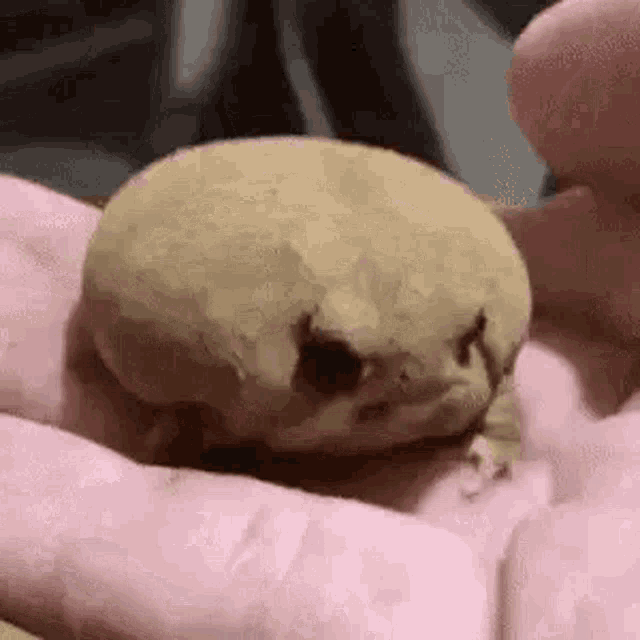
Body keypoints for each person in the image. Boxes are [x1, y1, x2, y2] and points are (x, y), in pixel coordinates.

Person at [2, 1, 640, 639]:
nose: (446, 377)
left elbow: (488, 369)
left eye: (471, 345)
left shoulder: (473, 344)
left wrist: (499, 431)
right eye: (336, 365)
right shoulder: (184, 327)